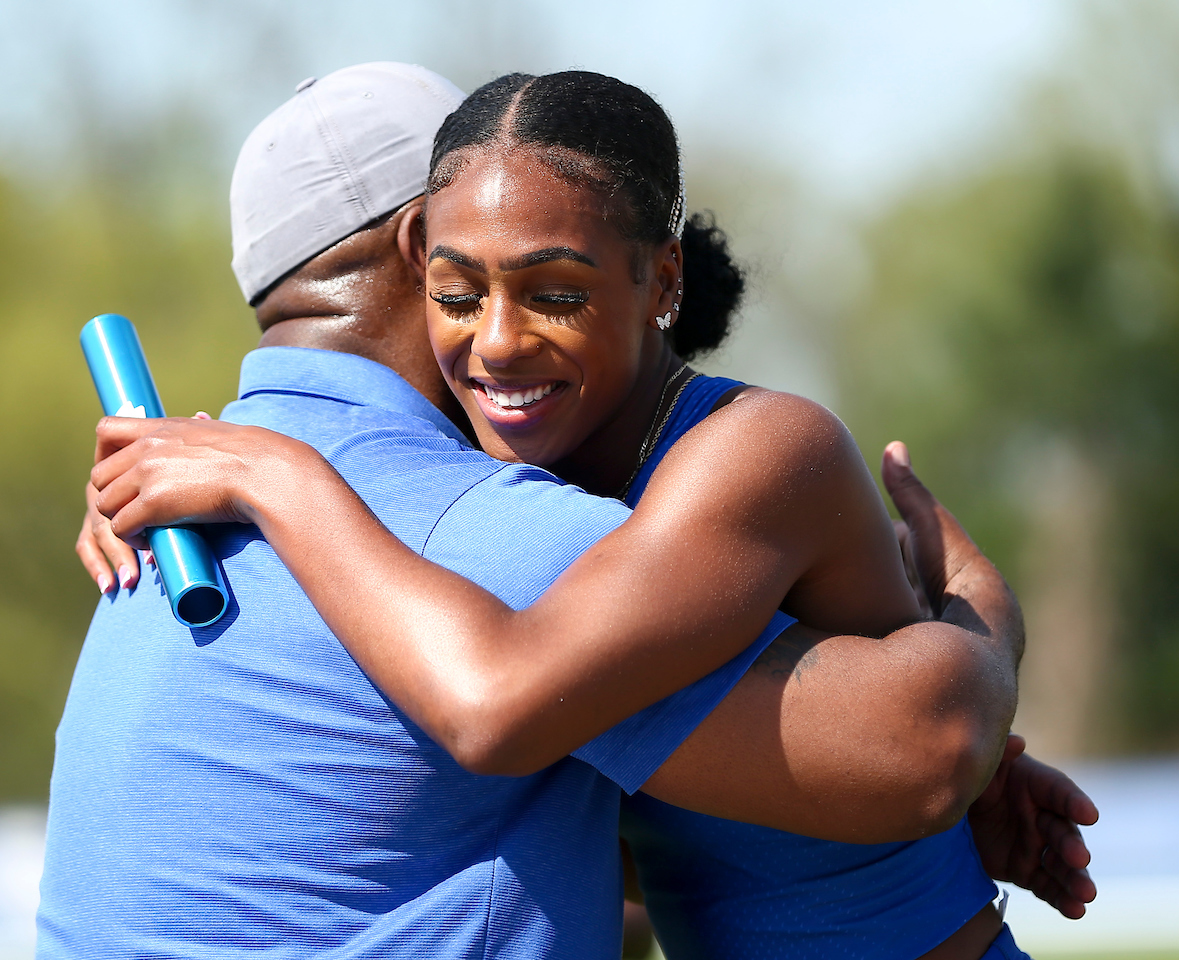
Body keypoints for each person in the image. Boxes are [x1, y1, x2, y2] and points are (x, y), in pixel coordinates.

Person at [85, 70, 1096, 959]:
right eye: (459, 290)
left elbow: (928, 750)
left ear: (660, 279)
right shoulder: (530, 494)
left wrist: (983, 626)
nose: (497, 342)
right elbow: (596, 815)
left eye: (553, 290)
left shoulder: (751, 449)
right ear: (419, 253)